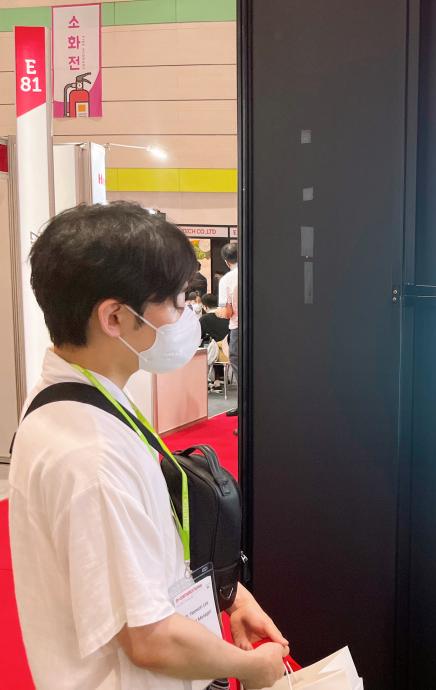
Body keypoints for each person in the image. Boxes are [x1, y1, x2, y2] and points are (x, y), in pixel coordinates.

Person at [10, 202, 288, 689]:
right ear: (115, 317)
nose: (186, 318)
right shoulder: (90, 457)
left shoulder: (84, 399)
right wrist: (250, 667)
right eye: (177, 303)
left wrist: (230, 596)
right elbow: (150, 638)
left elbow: (145, 554)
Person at [218, 243, 239, 419]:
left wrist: (218, 312)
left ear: (226, 261)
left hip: (238, 328)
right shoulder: (254, 273)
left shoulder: (227, 279)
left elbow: (227, 312)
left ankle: (244, 407)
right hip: (260, 328)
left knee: (239, 366)